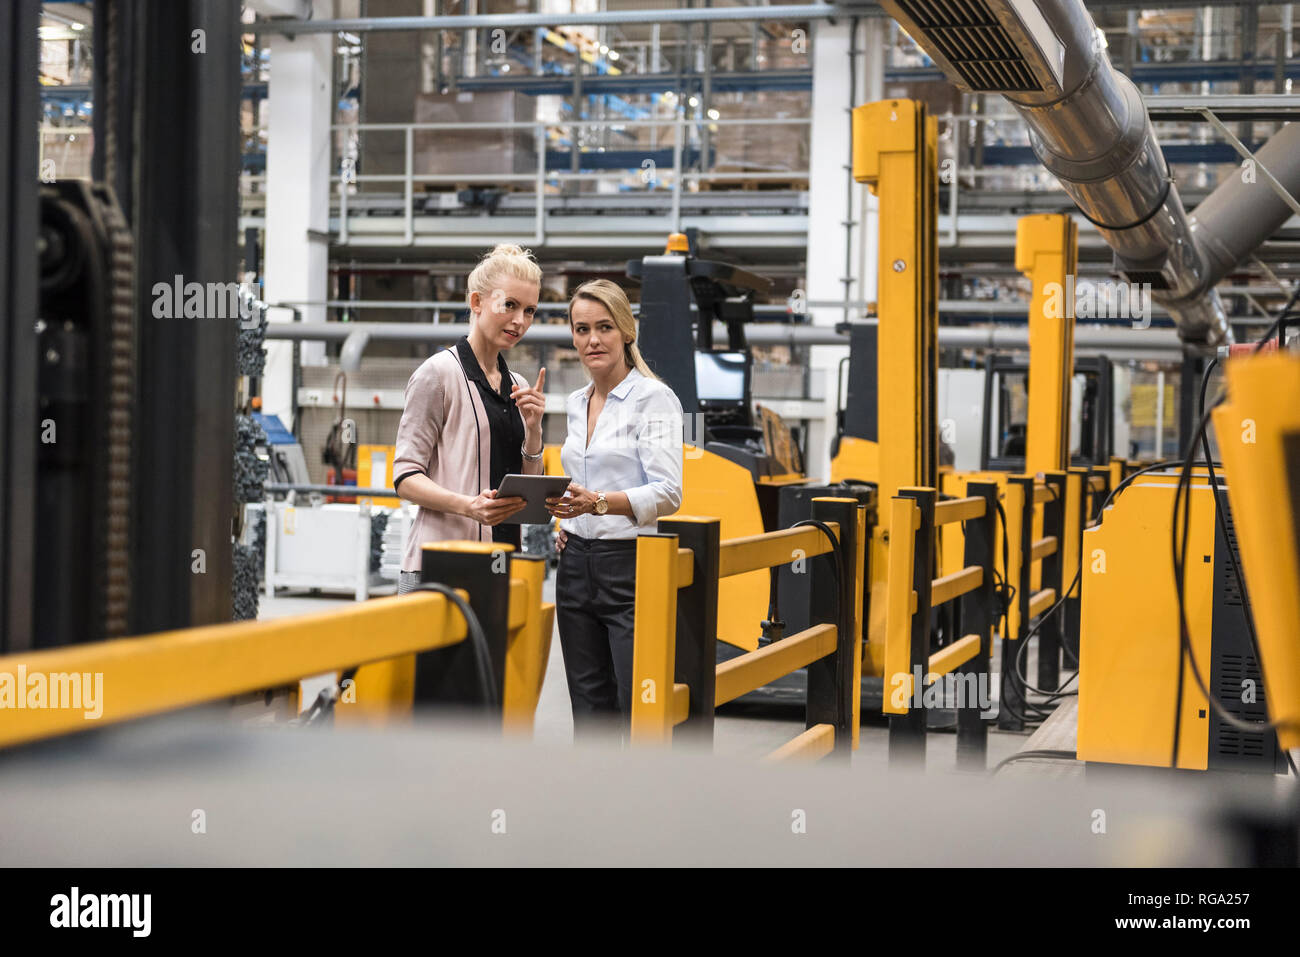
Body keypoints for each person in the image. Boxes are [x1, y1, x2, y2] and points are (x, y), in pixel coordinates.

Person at [545, 279, 684, 736]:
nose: (592, 340)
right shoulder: (573, 403)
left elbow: (669, 492)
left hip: (630, 567)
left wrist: (600, 503)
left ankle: (641, 801)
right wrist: (562, 518)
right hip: (575, 564)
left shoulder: (653, 399)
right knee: (588, 703)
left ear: (626, 331)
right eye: (581, 329)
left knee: (635, 703)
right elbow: (579, 485)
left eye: (604, 327)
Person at [392, 244, 547, 593]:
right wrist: (468, 507)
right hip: (440, 566)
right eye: (509, 305)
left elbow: (526, 493)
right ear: (477, 302)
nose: (520, 320)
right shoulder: (438, 375)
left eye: (530, 310)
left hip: (501, 564)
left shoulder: (518, 386)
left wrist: (534, 430)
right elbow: (405, 477)